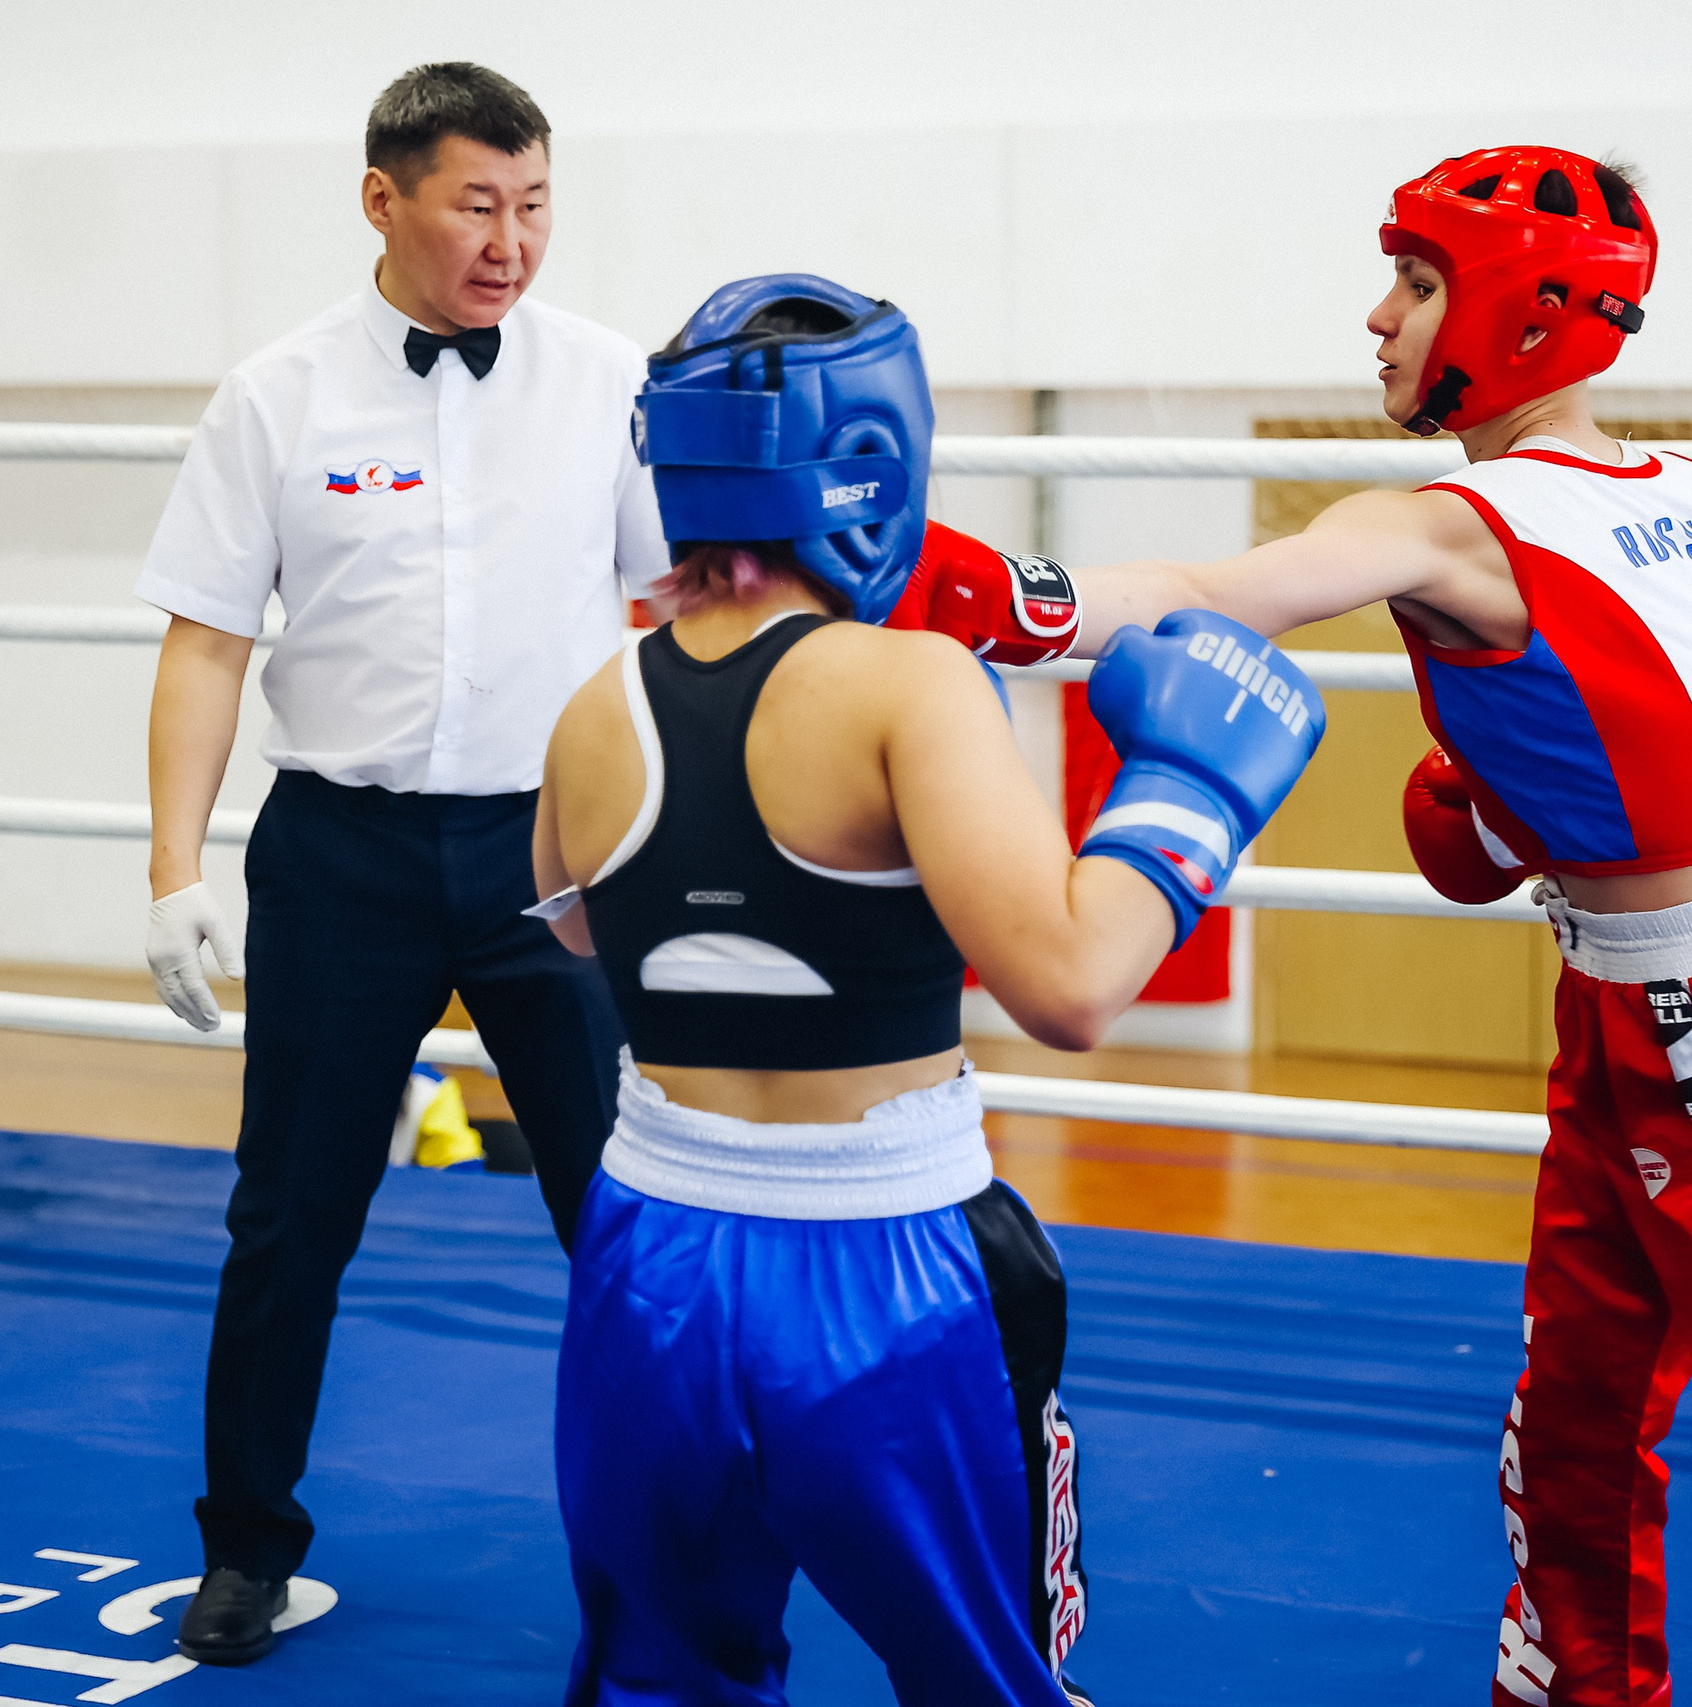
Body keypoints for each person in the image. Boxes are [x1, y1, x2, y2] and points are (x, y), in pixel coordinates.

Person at [901, 149, 1692, 1704]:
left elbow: (1197, 593)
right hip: (1676, 1006)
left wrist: (933, 580)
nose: (1379, 317)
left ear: (1519, 307)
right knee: (1571, 1444)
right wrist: (1561, 808)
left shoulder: (1462, 526)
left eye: (1417, 282)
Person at [530, 274, 1323, 1705]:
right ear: (877, 458)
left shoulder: (596, 702)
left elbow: (583, 930)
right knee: (979, 1679)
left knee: (661, 1677)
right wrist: (1188, 794)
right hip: (880, 1262)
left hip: (648, 1254)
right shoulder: (911, 683)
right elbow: (1075, 983)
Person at [135, 63, 668, 1665]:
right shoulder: (276, 394)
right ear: (385, 199)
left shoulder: (609, 380)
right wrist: (174, 864)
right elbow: (207, 640)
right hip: (343, 851)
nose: (511, 240)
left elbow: (675, 614)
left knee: (627, 1220)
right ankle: (246, 1550)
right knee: (290, 1214)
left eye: (535, 204)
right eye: (475, 203)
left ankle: (667, 1546)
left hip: (555, 848)